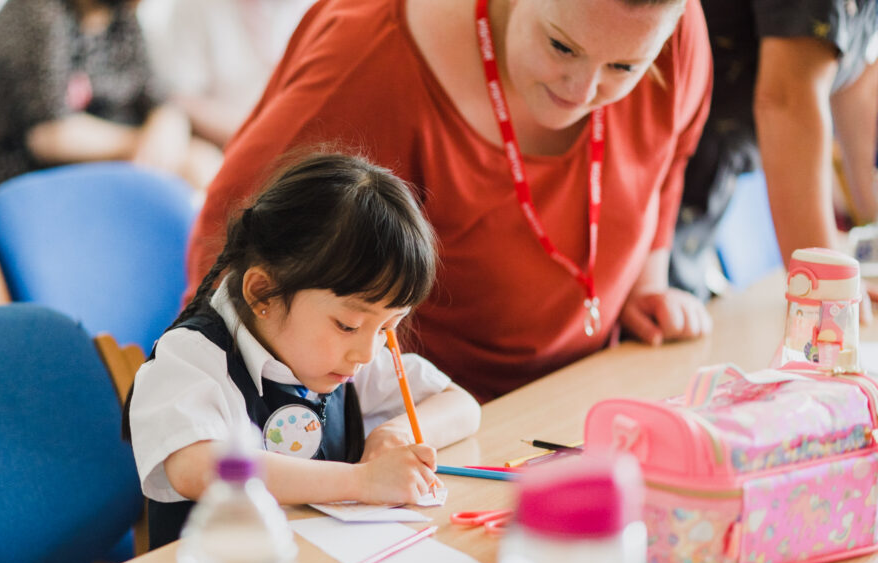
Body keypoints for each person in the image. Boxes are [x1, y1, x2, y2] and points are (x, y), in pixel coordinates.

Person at [186, 0, 714, 404]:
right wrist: (291, 422)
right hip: (420, 423)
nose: (581, 91)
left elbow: (669, 154)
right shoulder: (370, 59)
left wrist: (645, 282)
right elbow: (235, 240)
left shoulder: (672, 25)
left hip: (589, 390)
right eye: (561, 47)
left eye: (624, 68)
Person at [127, 152, 482, 548]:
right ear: (263, 293)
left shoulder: (346, 352)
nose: (367, 352)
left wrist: (392, 433)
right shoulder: (191, 359)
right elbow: (197, 468)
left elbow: (462, 405)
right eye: (348, 325)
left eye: (388, 327)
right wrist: (361, 481)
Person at [670, 0, 878, 301]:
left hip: (698, 184)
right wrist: (828, 291)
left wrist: (871, 214)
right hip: (648, 180)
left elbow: (853, 82)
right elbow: (787, 100)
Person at [0, 0, 222, 213]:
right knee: (195, 167)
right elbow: (49, 135)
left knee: (205, 162)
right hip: (23, 181)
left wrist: (167, 122)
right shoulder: (39, 13)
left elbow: (155, 96)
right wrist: (143, 143)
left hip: (99, 165)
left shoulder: (121, 17)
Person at [138, 0, 315, 148]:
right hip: (226, 145)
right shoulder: (196, 7)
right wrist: (262, 135)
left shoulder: (317, 8)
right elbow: (181, 97)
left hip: (295, 146)